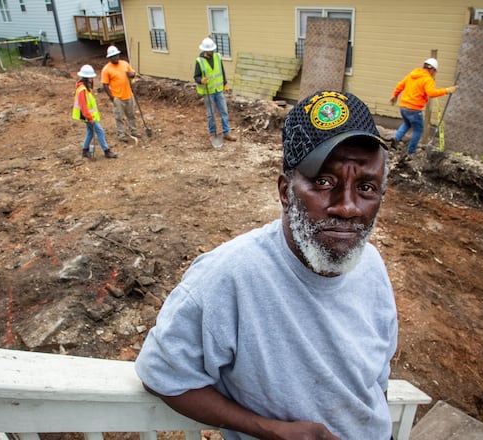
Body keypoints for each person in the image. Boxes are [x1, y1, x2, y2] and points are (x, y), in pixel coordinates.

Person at [135, 90, 397, 440]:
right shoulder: (227, 278)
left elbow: (377, 376)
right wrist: (272, 431)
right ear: (286, 192)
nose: (348, 207)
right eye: (324, 181)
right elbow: (162, 374)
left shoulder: (372, 267)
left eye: (365, 187)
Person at [389, 58, 458, 155]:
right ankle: (411, 152)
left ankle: (396, 139)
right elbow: (431, 93)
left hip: (403, 107)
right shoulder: (427, 79)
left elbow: (400, 85)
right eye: (435, 72)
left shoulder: (412, 74)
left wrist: (395, 96)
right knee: (418, 130)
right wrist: (447, 90)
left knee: (406, 124)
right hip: (414, 109)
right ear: (432, 70)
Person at [194, 37, 236, 142]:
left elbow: (222, 71)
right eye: (210, 51)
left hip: (218, 90)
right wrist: (201, 80)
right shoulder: (199, 61)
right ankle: (213, 134)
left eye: (212, 50)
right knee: (211, 114)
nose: (212, 52)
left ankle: (227, 133)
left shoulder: (217, 57)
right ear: (205, 51)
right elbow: (196, 76)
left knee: (224, 112)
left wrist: (225, 83)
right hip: (208, 92)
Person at [72, 64, 117, 160]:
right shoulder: (82, 89)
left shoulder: (84, 88)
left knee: (90, 132)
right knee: (100, 131)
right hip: (88, 116)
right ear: (87, 78)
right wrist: (89, 117)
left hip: (89, 116)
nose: (92, 79)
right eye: (91, 78)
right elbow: (83, 106)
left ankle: (85, 150)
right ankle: (106, 151)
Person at [101, 45, 140, 143]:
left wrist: (132, 74)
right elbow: (105, 85)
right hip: (117, 97)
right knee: (119, 117)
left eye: (116, 55)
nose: (115, 57)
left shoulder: (124, 64)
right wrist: (112, 97)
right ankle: (121, 134)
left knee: (131, 115)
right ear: (109, 58)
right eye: (113, 56)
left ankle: (134, 131)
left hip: (129, 95)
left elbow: (132, 74)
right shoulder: (106, 70)